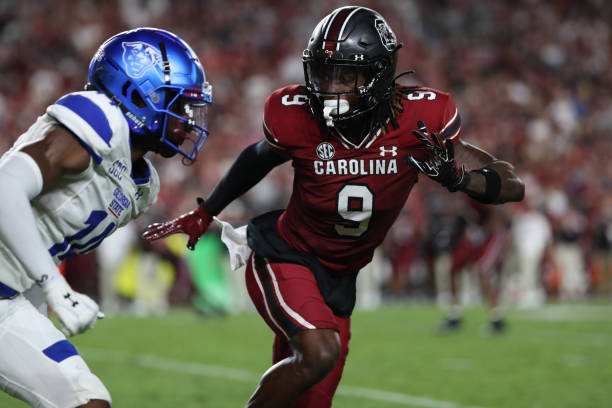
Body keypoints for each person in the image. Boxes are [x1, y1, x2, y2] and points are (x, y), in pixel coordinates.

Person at [144, 6, 525, 408]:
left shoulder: (421, 119)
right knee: (319, 353)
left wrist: (460, 179)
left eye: (345, 75)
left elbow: (510, 184)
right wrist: (207, 212)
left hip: (340, 279)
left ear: (378, 75)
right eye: (324, 72)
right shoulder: (295, 114)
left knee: (311, 396)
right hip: (285, 255)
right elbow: (259, 157)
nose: (330, 86)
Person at [0, 28, 212, 408]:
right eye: (177, 104)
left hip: (13, 291)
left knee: (87, 401)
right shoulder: (100, 118)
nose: (187, 121)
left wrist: (40, 294)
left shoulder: (144, 185)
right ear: (136, 94)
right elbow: (5, 189)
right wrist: (55, 288)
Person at [436, 200, 511, 335]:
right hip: (474, 233)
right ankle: (454, 315)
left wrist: (484, 231)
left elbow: (496, 211)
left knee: (483, 271)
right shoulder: (460, 189)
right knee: (453, 267)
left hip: (492, 233)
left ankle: (497, 319)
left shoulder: (480, 185)